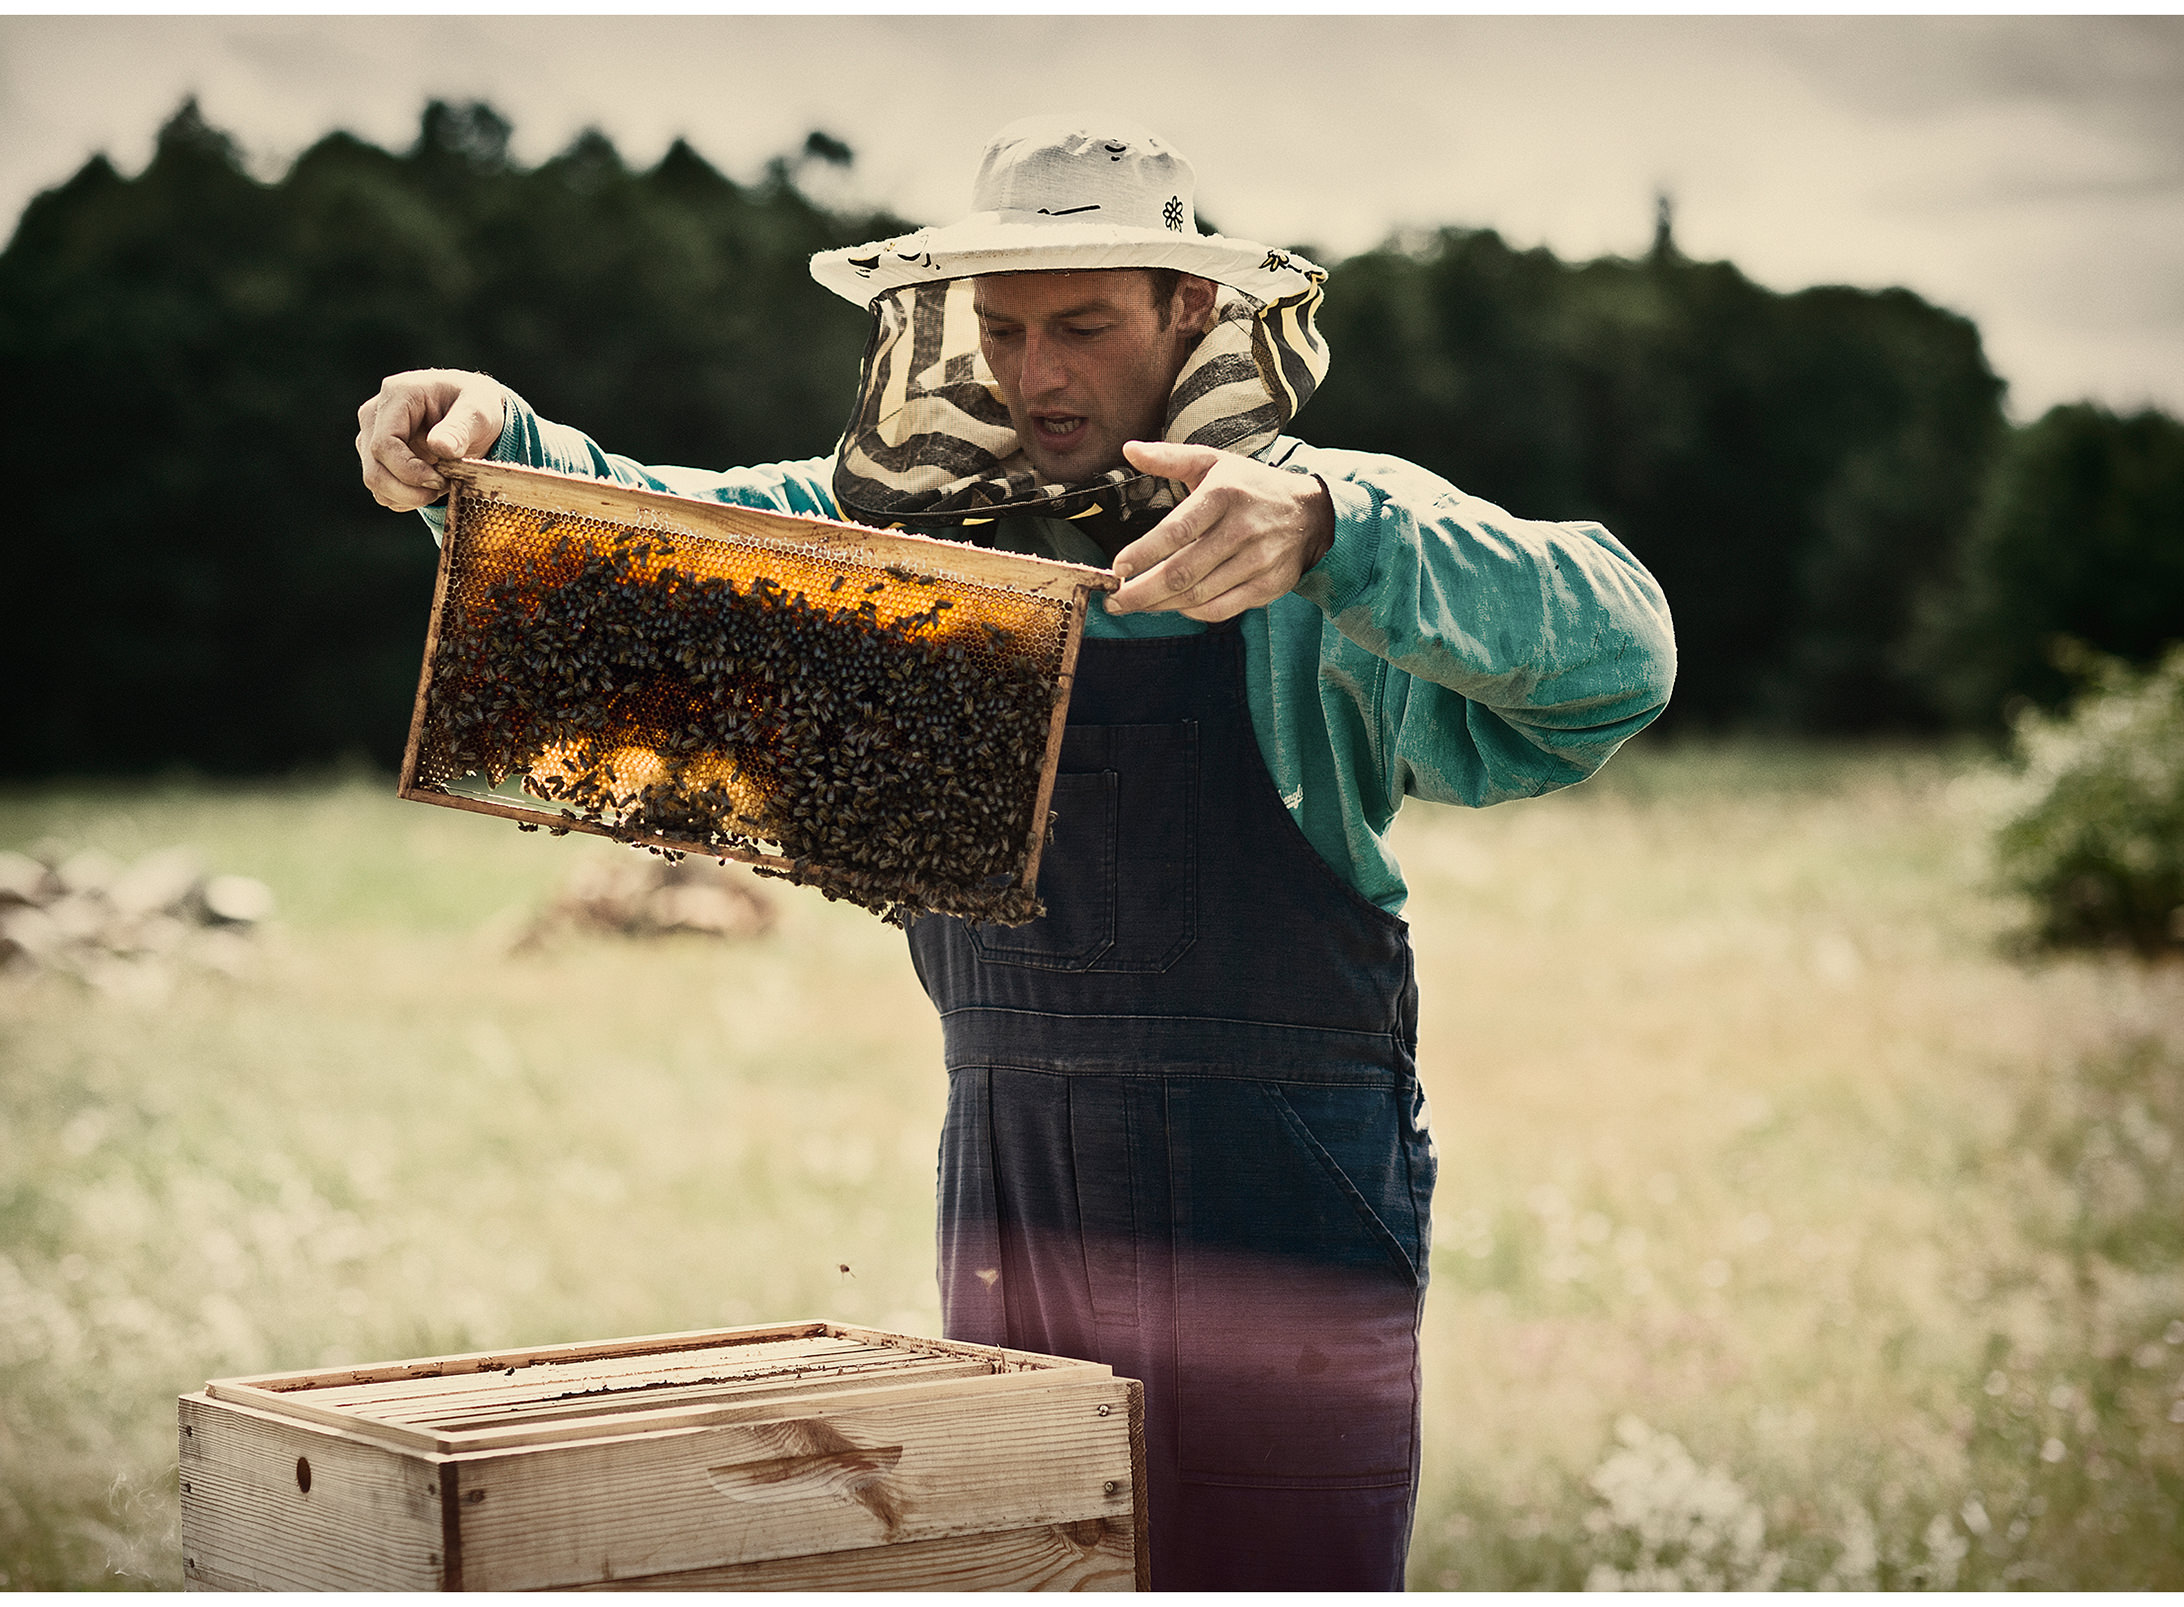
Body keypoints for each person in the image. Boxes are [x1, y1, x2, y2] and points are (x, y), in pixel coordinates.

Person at [357, 115, 1675, 1590]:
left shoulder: (1315, 521)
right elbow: (644, 539)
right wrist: (489, 445)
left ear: (1192, 311)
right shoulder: (899, 541)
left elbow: (1621, 642)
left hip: (1287, 1186)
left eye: (1086, 326)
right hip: (1010, 1175)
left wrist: (1337, 533)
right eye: (1003, 330)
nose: (1040, 376)